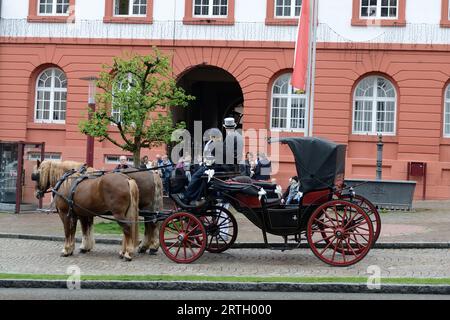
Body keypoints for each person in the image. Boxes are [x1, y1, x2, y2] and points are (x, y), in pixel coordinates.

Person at [183, 127, 222, 206]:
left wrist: (205, 162)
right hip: (206, 165)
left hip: (210, 167)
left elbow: (215, 158)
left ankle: (189, 197)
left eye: (211, 135)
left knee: (194, 178)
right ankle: (194, 196)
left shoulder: (216, 144)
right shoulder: (211, 143)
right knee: (195, 174)